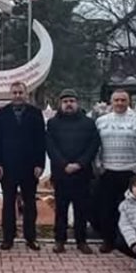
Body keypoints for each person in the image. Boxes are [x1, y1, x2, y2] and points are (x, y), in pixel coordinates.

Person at [94, 89, 136, 253]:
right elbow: (96, 146)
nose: (119, 103)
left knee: (128, 209)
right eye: (116, 100)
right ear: (111, 102)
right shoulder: (101, 121)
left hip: (131, 173)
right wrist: (99, 166)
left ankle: (127, 241)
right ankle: (108, 240)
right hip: (108, 171)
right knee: (107, 208)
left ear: (129, 102)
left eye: (123, 100)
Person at [0, 81, 46, 251]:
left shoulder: (35, 113)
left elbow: (41, 140)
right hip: (7, 166)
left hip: (30, 167)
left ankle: (31, 238)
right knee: (8, 203)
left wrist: (40, 163)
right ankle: (8, 238)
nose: (17, 95)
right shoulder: (1, 114)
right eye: (14, 92)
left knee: (30, 203)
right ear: (10, 94)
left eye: (20, 92)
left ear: (26, 94)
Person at [46, 88, 99, 253]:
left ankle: (81, 241)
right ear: (60, 104)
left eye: (71, 101)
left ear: (77, 103)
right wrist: (64, 165)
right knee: (61, 209)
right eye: (65, 101)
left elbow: (93, 146)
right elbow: (50, 147)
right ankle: (59, 240)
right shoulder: (53, 123)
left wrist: (79, 164)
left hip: (82, 174)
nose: (69, 104)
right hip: (61, 174)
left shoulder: (88, 123)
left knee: (81, 209)